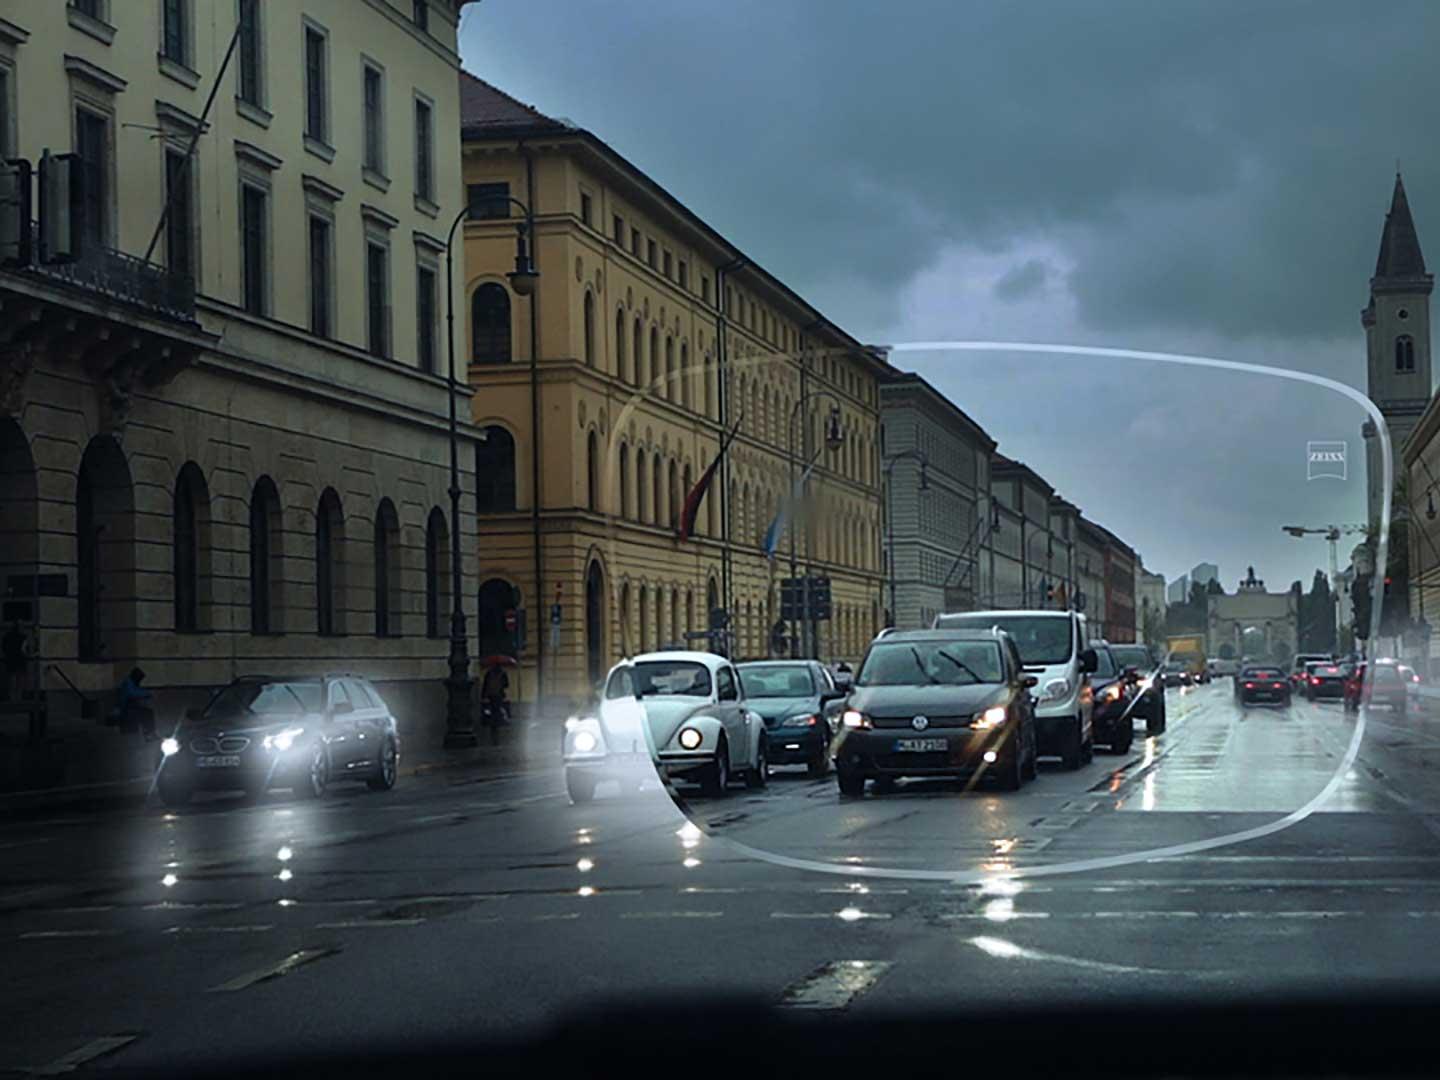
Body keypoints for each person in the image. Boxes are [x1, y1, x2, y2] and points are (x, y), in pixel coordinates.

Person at [113, 667, 156, 740]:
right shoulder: (128, 683)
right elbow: (132, 693)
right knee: (147, 713)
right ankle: (149, 734)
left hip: (129, 707)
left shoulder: (130, 682)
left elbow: (136, 690)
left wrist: (146, 693)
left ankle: (149, 733)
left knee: (146, 712)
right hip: (126, 708)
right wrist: (148, 693)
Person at [1, 619, 33, 703]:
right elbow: (25, 650)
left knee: (12, 680)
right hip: (20, 661)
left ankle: (12, 699)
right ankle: (18, 698)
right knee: (19, 681)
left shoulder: (7, 636)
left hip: (11, 661)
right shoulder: (23, 637)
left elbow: (4, 649)